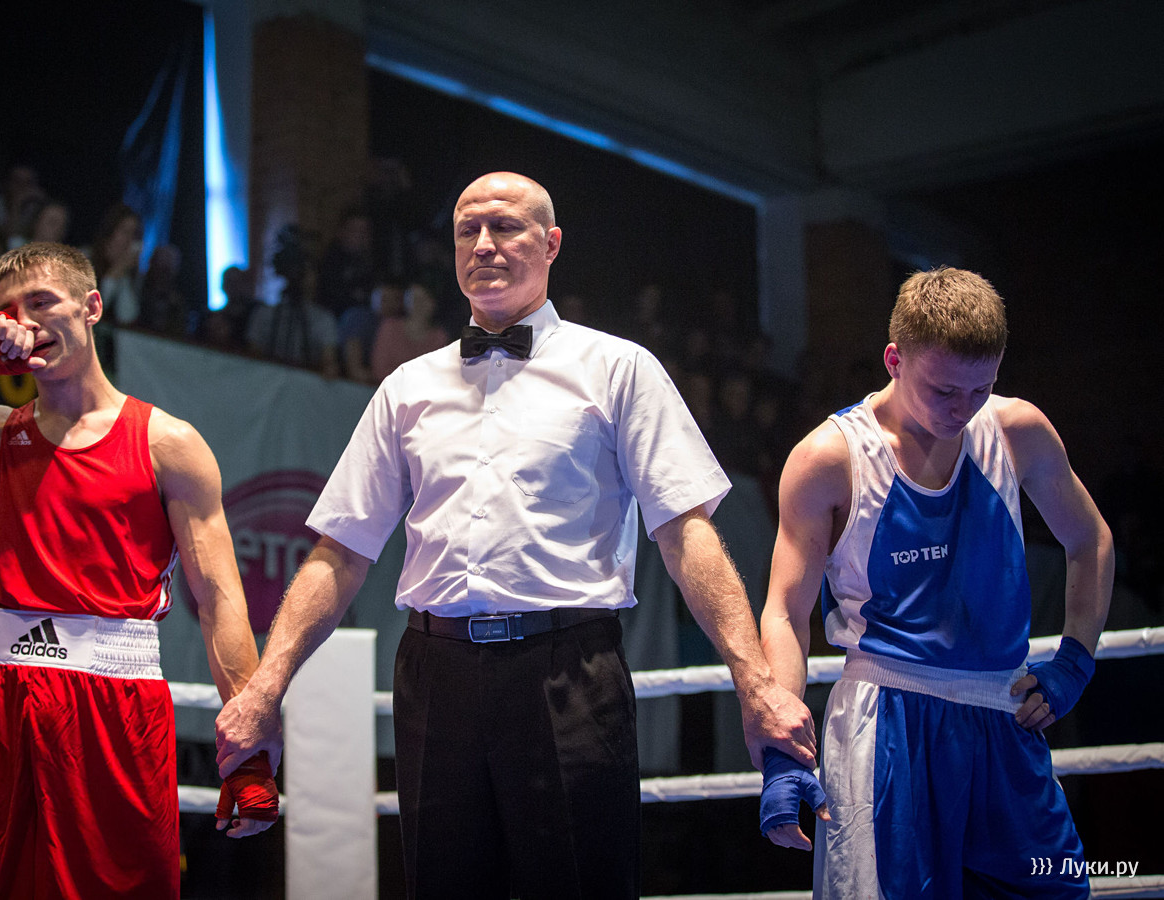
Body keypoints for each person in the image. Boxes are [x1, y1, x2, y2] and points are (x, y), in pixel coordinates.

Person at [215, 172, 817, 899]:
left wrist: (756, 683)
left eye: (505, 226)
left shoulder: (618, 368)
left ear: (552, 244)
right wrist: (266, 688)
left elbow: (686, 533)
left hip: (569, 671)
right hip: (435, 674)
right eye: (468, 231)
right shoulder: (407, 387)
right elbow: (339, 551)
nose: (484, 245)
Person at [0, 242, 276, 898]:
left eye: (42, 302)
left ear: (91, 306)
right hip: (4, 697)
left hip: (119, 704)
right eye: (8, 312)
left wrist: (250, 754)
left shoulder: (168, 443)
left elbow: (220, 600)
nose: (26, 323)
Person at [758, 267, 1113, 899]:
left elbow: (1091, 540)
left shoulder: (1017, 431)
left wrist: (1076, 661)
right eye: (944, 389)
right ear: (894, 360)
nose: (962, 408)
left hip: (1005, 717)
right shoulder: (831, 459)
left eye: (981, 388)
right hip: (887, 721)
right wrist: (783, 744)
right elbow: (785, 610)